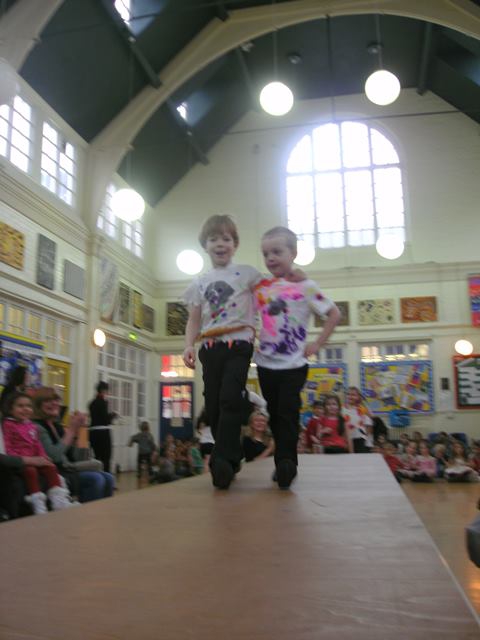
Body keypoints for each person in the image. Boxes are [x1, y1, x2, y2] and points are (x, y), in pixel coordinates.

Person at [253, 226, 341, 489]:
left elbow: (334, 314)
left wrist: (318, 343)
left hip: (294, 365)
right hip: (265, 365)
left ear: (293, 253)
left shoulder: (306, 286)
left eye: (277, 252)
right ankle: (282, 461)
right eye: (266, 254)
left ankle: (286, 463)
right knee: (274, 414)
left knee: (288, 412)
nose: (271, 258)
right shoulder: (262, 287)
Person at [182, 214, 262, 489]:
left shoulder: (248, 274)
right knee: (214, 407)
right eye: (213, 239)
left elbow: (268, 300)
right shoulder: (200, 282)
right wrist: (188, 345)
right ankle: (232, 453)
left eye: (226, 239)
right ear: (205, 245)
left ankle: (222, 460)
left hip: (239, 344)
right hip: (210, 347)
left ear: (235, 244)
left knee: (229, 398)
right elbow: (194, 319)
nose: (220, 244)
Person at [33, 387, 115, 502]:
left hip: (68, 469)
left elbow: (78, 458)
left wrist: (80, 430)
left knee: (109, 478)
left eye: (56, 400)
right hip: (56, 472)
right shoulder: (37, 427)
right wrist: (71, 430)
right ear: (38, 405)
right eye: (47, 401)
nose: (54, 403)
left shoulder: (57, 426)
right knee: (96, 479)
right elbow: (54, 456)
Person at [2, 392, 76, 514]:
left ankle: (59, 500)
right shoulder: (8, 425)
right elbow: (8, 447)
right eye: (20, 406)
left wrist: (43, 456)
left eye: (28, 406)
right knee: (31, 471)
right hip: (22, 461)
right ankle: (37, 502)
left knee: (51, 467)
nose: (25, 409)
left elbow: (37, 444)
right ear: (10, 409)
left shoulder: (31, 425)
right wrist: (24, 459)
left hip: (35, 459)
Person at [88, 381, 117, 473]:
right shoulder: (103, 402)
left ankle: (97, 476)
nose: (107, 393)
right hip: (103, 433)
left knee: (97, 457)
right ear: (103, 390)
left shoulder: (91, 403)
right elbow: (105, 420)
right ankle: (106, 478)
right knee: (106, 458)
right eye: (107, 391)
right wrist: (112, 416)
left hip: (93, 432)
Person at [343, 387, 373, 453]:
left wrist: (365, 437)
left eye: (353, 395)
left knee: (359, 457)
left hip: (359, 439)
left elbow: (369, 425)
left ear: (358, 397)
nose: (350, 396)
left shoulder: (362, 409)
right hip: (346, 439)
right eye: (348, 394)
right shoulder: (342, 409)